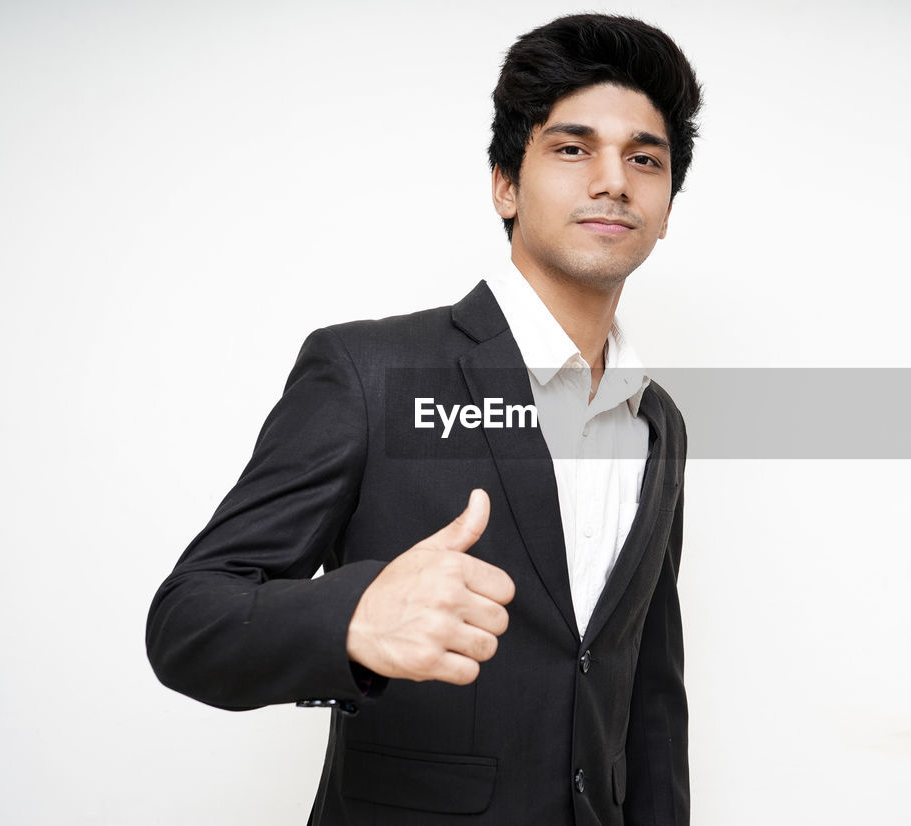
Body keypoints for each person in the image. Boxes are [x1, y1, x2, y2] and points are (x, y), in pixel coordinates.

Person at [146, 13, 702, 825]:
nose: (613, 180)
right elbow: (188, 619)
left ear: (665, 205)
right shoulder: (370, 373)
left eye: (644, 159)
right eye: (573, 148)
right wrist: (353, 614)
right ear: (505, 183)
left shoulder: (659, 422)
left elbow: (649, 689)